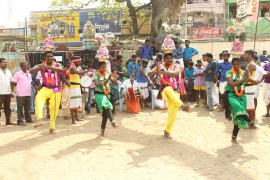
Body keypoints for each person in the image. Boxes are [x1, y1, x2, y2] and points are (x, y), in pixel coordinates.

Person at [148, 53, 190, 139]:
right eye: (167, 58)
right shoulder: (160, 66)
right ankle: (182, 106)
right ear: (164, 59)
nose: (170, 60)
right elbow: (149, 74)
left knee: (173, 113)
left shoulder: (177, 66)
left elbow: (175, 74)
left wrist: (162, 72)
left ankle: (167, 131)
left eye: (171, 58)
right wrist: (156, 70)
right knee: (167, 89)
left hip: (175, 92)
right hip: (165, 91)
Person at [224, 58, 257, 144]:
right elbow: (231, 85)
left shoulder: (243, 73)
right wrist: (243, 79)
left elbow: (255, 82)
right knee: (238, 108)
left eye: (237, 64)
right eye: (234, 64)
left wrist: (249, 76)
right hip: (231, 95)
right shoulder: (229, 73)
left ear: (240, 64)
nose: (236, 66)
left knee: (238, 116)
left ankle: (234, 137)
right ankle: (250, 122)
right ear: (232, 64)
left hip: (242, 96)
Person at [29, 51, 63, 134]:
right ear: (45, 58)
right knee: (38, 101)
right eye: (48, 56)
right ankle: (40, 119)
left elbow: (60, 70)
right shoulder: (41, 65)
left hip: (56, 90)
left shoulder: (57, 65)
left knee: (54, 110)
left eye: (51, 56)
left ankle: (52, 128)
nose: (50, 58)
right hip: (45, 88)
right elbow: (31, 71)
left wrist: (48, 67)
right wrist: (40, 67)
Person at [94, 62, 118, 137]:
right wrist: (106, 80)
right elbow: (97, 84)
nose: (104, 69)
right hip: (99, 95)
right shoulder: (96, 75)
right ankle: (113, 122)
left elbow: (115, 82)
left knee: (105, 115)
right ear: (99, 67)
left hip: (106, 95)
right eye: (102, 67)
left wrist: (115, 80)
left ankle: (102, 131)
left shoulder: (108, 75)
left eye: (105, 67)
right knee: (107, 106)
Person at [69, 56, 92, 124]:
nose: (80, 62)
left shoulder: (78, 68)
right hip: (73, 88)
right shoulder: (72, 68)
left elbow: (81, 76)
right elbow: (79, 73)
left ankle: (77, 118)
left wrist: (88, 77)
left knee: (77, 103)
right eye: (79, 61)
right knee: (73, 104)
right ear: (75, 62)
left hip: (77, 87)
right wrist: (88, 70)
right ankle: (73, 120)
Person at [13, 62, 33, 126]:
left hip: (28, 93)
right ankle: (20, 120)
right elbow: (14, 83)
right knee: (20, 108)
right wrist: (20, 88)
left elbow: (30, 82)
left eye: (27, 65)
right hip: (21, 93)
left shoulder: (29, 73)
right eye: (24, 66)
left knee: (27, 107)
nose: (26, 67)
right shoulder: (17, 74)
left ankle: (28, 119)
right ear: (21, 66)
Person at [244, 50, 259, 123]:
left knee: (250, 108)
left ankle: (252, 124)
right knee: (248, 107)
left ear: (250, 55)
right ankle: (250, 123)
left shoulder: (251, 65)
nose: (244, 56)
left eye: (245, 54)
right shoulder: (249, 64)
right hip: (248, 87)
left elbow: (246, 78)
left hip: (249, 88)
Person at [0, 58, 16, 126]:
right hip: (0, 93)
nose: (5, 63)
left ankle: (8, 121)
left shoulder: (9, 71)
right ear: (0, 63)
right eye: (4, 62)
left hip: (8, 93)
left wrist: (12, 92)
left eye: (6, 62)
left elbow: (11, 82)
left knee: (8, 108)